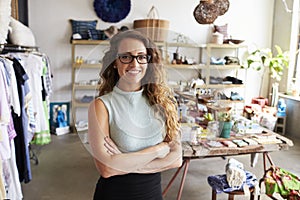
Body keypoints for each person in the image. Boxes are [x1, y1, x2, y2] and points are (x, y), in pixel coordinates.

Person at [88, 30, 182, 200]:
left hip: (152, 194)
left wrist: (122, 161)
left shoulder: (162, 103)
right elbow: (107, 169)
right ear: (115, 62)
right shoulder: (101, 106)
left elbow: (176, 159)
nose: (134, 64)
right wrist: (158, 150)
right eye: (126, 57)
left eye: (141, 56)